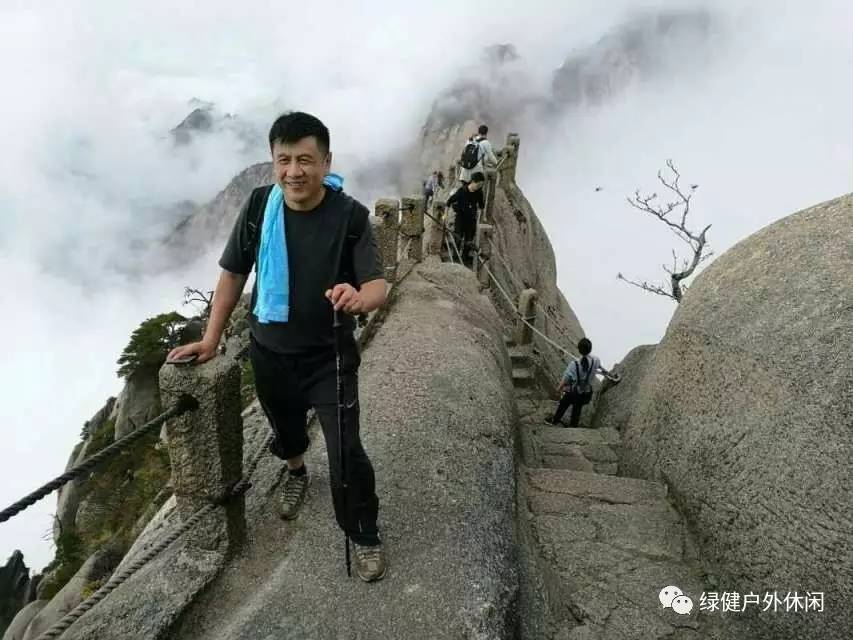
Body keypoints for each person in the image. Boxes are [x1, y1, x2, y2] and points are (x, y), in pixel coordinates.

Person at [166, 111, 388, 582]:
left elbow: (377, 286)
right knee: (285, 429)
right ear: (272, 162)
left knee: (346, 450)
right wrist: (212, 337)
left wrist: (357, 297)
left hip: (328, 357)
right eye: (283, 160)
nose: (294, 171)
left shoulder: (350, 218)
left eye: (305, 159)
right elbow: (232, 272)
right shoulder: (259, 207)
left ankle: (363, 532)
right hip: (268, 352)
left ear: (326, 161)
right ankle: (296, 472)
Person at [544, 338, 610, 428]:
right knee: (577, 408)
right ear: (590, 348)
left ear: (579, 350)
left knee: (564, 402)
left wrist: (558, 390)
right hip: (587, 393)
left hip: (575, 393)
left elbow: (565, 379)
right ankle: (573, 425)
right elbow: (600, 368)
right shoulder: (596, 360)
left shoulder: (574, 365)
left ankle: (554, 421)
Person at [446, 171, 485, 267]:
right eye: (479, 184)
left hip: (471, 220)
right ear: (473, 181)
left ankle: (465, 259)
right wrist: (445, 215)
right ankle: (454, 259)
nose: (480, 186)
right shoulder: (461, 191)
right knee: (458, 237)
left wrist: (480, 217)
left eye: (481, 185)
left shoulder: (479, 193)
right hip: (460, 218)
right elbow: (449, 201)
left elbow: (481, 206)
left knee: (469, 240)